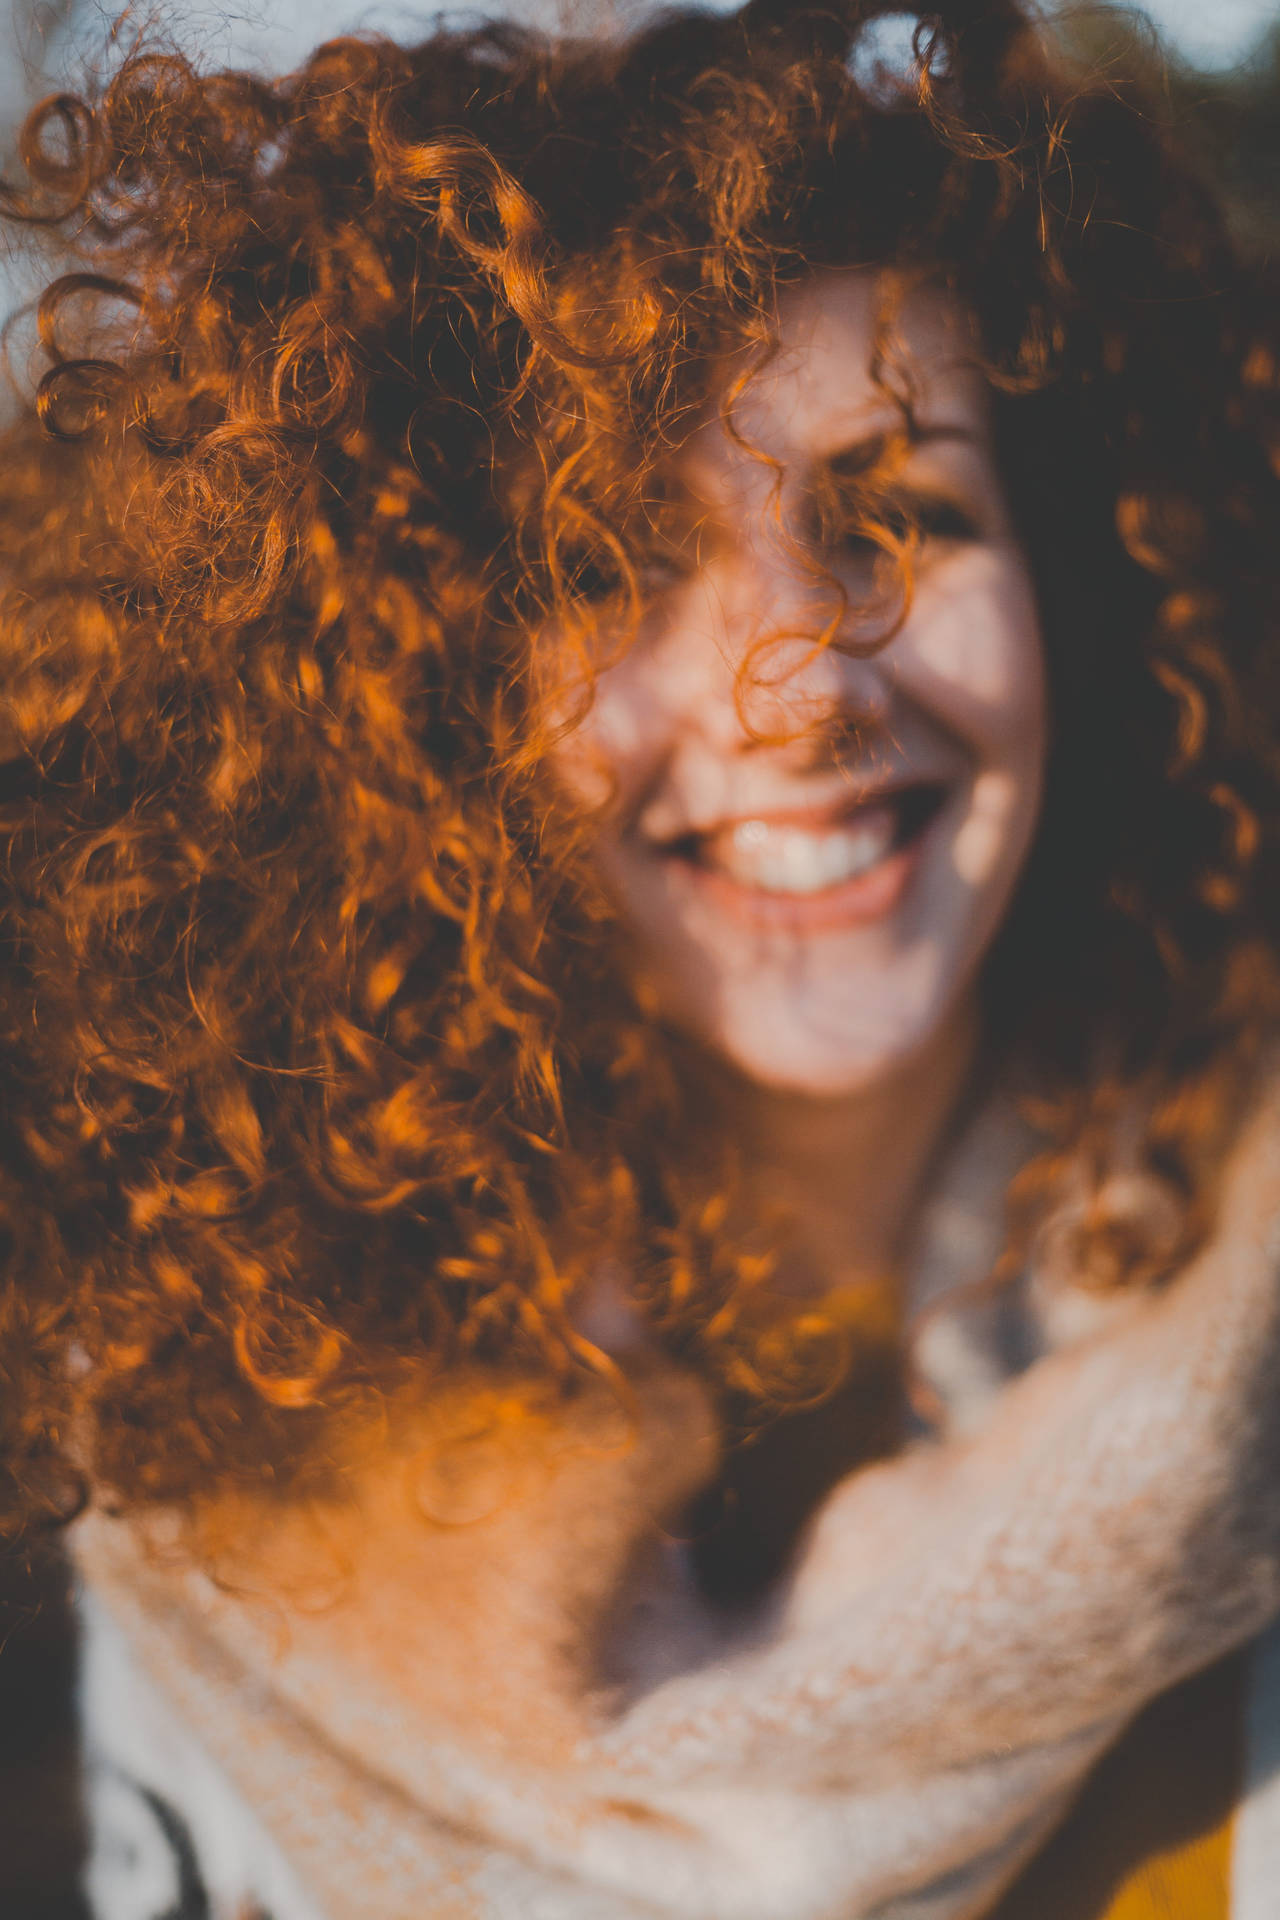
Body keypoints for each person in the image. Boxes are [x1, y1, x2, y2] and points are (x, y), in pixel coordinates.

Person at [1, 0, 1280, 1914]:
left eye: (901, 516)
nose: (803, 691)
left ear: (1091, 582)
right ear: (403, 696)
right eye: (612, 564)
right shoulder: (239, 1485)